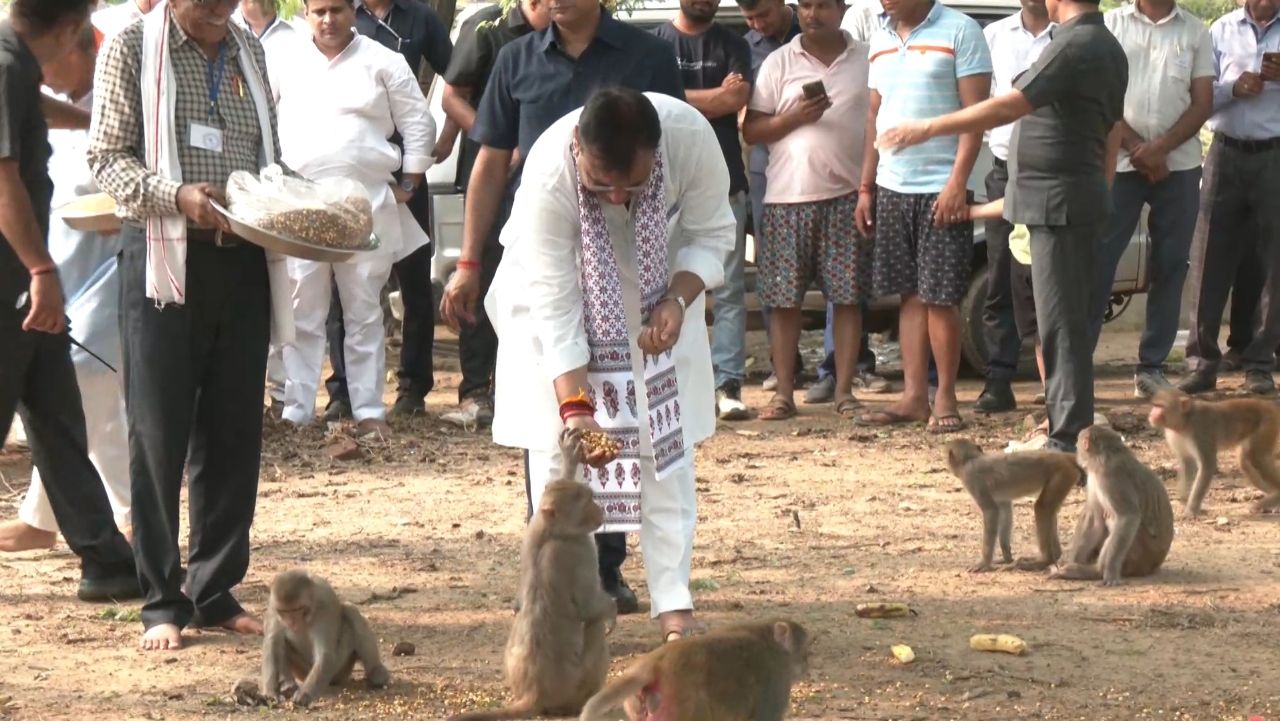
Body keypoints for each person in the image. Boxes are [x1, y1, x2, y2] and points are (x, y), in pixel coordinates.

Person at [438, 0, 684, 614]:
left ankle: (606, 569)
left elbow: (672, 150)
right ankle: (549, 568)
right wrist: (469, 261)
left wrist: (678, 286)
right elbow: (490, 160)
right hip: (545, 248)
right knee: (551, 415)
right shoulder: (515, 56)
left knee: (618, 410)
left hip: (626, 262)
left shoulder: (647, 55)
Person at [485, 88, 734, 642]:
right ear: (578, 148)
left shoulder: (691, 138)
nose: (619, 196)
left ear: (657, 152)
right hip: (561, 299)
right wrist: (576, 406)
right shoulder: (551, 172)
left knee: (665, 448)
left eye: (635, 184)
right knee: (559, 454)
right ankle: (555, 606)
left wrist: (678, 299)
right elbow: (554, 300)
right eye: (602, 184)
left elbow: (711, 233)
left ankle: (674, 603)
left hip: (656, 303)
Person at [89, 0, 288, 650]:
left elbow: (270, 154)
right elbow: (107, 157)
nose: (215, 11)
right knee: (158, 429)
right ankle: (160, 598)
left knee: (233, 429)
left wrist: (287, 200)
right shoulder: (130, 46)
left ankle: (215, 588)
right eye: (204, 3)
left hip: (242, 258)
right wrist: (178, 197)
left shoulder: (249, 50)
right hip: (161, 256)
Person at [877, 0, 1127, 452]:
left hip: (1062, 206)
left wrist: (928, 128)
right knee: (1056, 325)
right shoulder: (1090, 42)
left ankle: (1068, 436)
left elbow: (1009, 106)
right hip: (1054, 201)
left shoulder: (1079, 43)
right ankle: (1064, 427)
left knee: (1061, 327)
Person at [0, 0, 140, 601]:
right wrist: (39, 269)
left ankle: (105, 559)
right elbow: (2, 176)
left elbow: (30, 111)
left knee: (58, 413)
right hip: (13, 273)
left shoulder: (17, 67)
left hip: (25, 275)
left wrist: (90, 123)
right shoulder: (5, 64)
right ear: (65, 33)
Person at [278, 0, 435, 434]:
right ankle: (296, 410)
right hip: (301, 201)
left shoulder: (384, 60)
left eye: (337, 10)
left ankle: (368, 411)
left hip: (366, 201)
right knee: (301, 309)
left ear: (353, 11)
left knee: (363, 308)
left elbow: (418, 122)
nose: (328, 20)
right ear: (306, 13)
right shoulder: (285, 59)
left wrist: (411, 181)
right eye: (319, 11)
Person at [855, 0, 992, 434]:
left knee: (941, 296)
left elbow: (976, 117)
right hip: (892, 185)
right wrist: (865, 186)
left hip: (941, 186)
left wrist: (957, 182)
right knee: (910, 295)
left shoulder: (961, 31)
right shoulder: (878, 38)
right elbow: (875, 116)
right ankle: (914, 397)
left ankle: (946, 395)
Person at [324, 0, 454, 421]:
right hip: (354, 181)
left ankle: (413, 388)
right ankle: (343, 391)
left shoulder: (420, 18)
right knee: (344, 283)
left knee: (415, 282)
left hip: (406, 173)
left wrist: (446, 140)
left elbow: (461, 78)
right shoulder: (341, 15)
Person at [743, 0, 871, 421]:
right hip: (786, 199)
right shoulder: (779, 62)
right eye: (806, 5)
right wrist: (793, 117)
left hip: (849, 197)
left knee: (848, 299)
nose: (813, 13)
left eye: (823, 5)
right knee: (783, 302)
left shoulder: (867, 58)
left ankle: (846, 391)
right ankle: (783, 394)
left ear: (842, 8)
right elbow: (753, 129)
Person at [1091, 0, 1213, 399]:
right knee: (1098, 262)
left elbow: (1202, 103)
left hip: (1178, 167)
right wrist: (1138, 147)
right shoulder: (1110, 23)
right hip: (1120, 165)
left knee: (1171, 265)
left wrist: (1160, 149)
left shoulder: (1195, 31)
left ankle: (1151, 368)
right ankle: (1076, 365)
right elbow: (1100, 96)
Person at [439, 0, 552, 428]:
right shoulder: (487, 26)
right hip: (492, 176)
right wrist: (499, 141)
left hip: (546, 179)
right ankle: (474, 391)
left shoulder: (583, 29)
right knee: (481, 276)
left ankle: (524, 386)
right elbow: (453, 97)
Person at [653, 0, 753, 421]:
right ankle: (666, 381)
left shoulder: (734, 43)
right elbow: (655, 102)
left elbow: (736, 100)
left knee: (728, 289)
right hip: (661, 188)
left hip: (725, 181)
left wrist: (683, 97)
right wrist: (713, 97)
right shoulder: (654, 43)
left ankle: (727, 385)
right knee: (661, 289)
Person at [1178, 0, 1280, 396]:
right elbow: (1201, 96)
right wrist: (1234, 88)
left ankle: (1259, 361)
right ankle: (1202, 363)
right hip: (1224, 152)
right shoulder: (1219, 30)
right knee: (1207, 258)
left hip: (1275, 154)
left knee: (1274, 263)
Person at [972, 0, 1052, 415]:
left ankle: (1059, 386)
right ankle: (998, 379)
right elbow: (979, 104)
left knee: (1053, 283)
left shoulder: (1069, 38)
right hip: (1005, 169)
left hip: (1054, 171)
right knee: (1000, 277)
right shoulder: (994, 36)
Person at [233, 0, 301, 415]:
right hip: (222, 202)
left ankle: (280, 396)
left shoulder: (289, 43)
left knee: (282, 296)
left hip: (274, 188)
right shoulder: (140, 42)